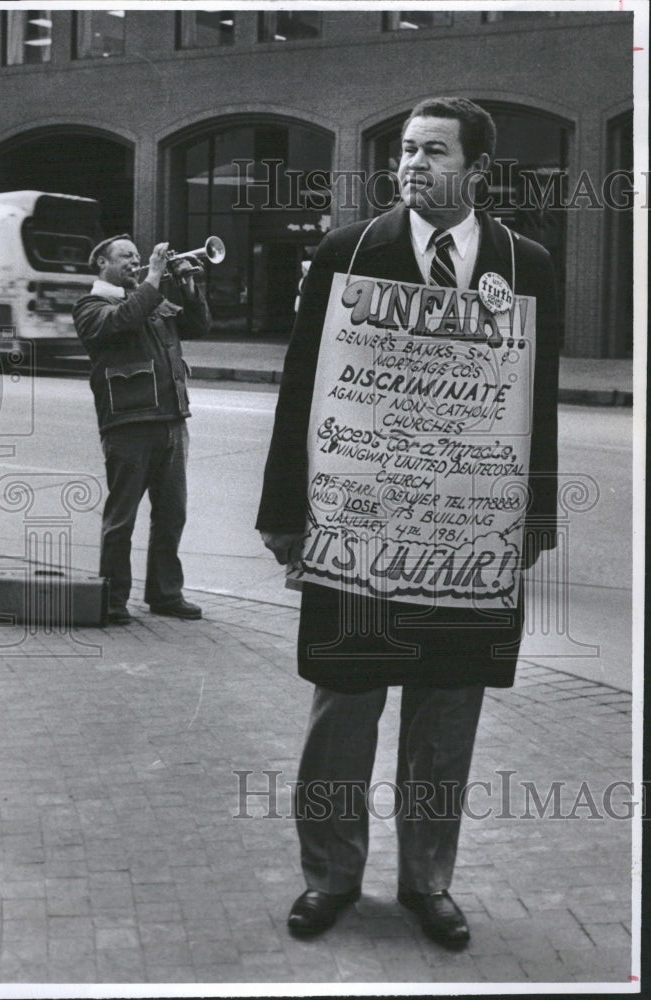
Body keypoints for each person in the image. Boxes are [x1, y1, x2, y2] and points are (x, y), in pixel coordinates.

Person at [256, 97, 559, 949]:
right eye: (403, 150)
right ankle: (330, 877)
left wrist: (532, 516)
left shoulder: (522, 262)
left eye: (433, 151)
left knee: (446, 716)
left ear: (478, 171)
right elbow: (300, 388)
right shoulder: (344, 253)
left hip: (468, 539)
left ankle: (428, 882)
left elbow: (535, 407)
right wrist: (284, 511)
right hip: (359, 533)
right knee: (342, 714)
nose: (412, 165)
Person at [73, 235, 211, 624]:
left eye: (138, 256)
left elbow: (198, 327)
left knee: (172, 514)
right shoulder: (91, 305)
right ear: (101, 263)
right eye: (125, 257)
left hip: (171, 418)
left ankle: (165, 594)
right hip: (128, 423)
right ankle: (113, 600)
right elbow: (120, 322)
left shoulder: (149, 297)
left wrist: (188, 285)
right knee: (122, 519)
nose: (134, 262)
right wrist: (153, 276)